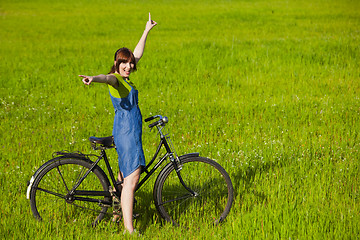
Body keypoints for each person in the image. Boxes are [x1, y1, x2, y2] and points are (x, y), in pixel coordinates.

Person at [79, 13, 157, 234]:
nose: (129, 66)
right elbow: (107, 77)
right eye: (124, 63)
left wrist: (146, 31)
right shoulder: (115, 80)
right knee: (132, 181)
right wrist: (94, 78)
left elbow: (138, 53)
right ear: (117, 64)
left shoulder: (126, 78)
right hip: (126, 133)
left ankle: (115, 207)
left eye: (130, 63)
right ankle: (129, 230)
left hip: (129, 131)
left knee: (125, 176)